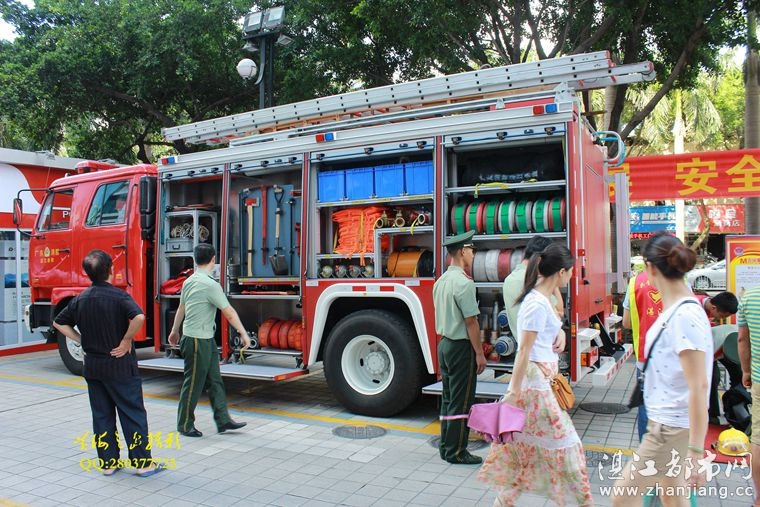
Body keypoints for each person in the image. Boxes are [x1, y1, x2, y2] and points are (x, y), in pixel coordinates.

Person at [480, 243, 593, 506]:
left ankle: (503, 502)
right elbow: (524, 351)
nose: (572, 276)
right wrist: (511, 393)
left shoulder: (540, 298)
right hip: (537, 385)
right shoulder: (536, 303)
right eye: (570, 272)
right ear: (561, 272)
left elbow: (549, 325)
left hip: (540, 382)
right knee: (569, 446)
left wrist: (560, 332)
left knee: (523, 449)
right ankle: (585, 502)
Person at [612, 233, 712, 507]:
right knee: (673, 498)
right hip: (667, 422)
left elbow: (699, 385)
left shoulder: (684, 316)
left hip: (670, 427)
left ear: (650, 267)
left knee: (623, 497)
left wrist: (695, 451)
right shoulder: (678, 309)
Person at [53, 250, 164, 477]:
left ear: (88, 273)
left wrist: (80, 339)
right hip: (120, 366)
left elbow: (58, 322)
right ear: (111, 269)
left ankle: (108, 464)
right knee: (132, 414)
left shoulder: (81, 299)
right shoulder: (119, 296)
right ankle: (143, 464)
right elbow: (139, 317)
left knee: (102, 416)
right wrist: (126, 340)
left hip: (93, 367)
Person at [168, 244, 250, 437]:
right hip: (197, 340)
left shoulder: (189, 281)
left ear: (195, 259)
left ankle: (223, 420)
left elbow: (181, 308)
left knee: (214, 380)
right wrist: (243, 333)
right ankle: (184, 424)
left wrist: (174, 331)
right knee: (193, 383)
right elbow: (229, 312)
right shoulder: (210, 285)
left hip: (202, 338)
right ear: (213, 259)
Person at [433, 230, 486, 464]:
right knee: (462, 401)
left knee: (448, 399)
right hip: (460, 348)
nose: (473, 255)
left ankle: (446, 447)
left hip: (444, 344)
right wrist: (479, 353)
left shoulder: (441, 281)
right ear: (463, 251)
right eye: (472, 250)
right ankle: (457, 452)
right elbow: (471, 322)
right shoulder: (464, 283)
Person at [622, 268, 663, 440]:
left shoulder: (634, 283)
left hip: (645, 357)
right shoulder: (681, 281)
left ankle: (646, 450)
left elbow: (626, 323)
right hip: (675, 359)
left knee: (646, 406)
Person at [502, 235, 564, 338]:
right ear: (540, 259)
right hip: (539, 345)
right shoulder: (535, 281)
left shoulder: (508, 280)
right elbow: (559, 313)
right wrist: (553, 281)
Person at [694, 291, 739, 424]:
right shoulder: (693, 307)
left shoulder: (708, 304)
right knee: (712, 377)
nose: (721, 319)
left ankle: (723, 414)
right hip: (696, 351)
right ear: (714, 308)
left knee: (722, 375)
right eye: (722, 316)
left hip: (709, 346)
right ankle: (709, 416)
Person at [737, 285, 760, 507]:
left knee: (758, 440)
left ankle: (759, 499)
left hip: (759, 378)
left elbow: (742, 339)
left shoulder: (749, 297)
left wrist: (746, 371)